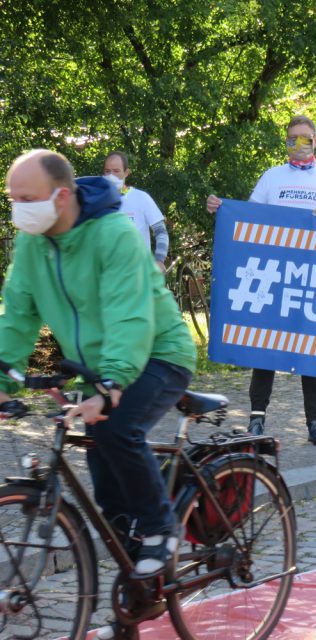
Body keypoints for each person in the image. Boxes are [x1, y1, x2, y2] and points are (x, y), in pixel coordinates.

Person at [1, 150, 197, 628]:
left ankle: (162, 527)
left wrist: (109, 385)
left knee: (116, 431)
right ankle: (140, 590)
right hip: (98, 366)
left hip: (158, 352)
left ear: (61, 196)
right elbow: (18, 313)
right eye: (12, 200)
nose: (17, 209)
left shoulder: (114, 235)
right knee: (110, 507)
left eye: (26, 199)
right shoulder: (32, 244)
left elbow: (130, 316)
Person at [207, 115, 316, 447]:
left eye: (304, 138)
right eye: (291, 138)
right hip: (275, 277)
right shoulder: (271, 178)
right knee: (265, 348)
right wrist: (222, 207)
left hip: (311, 276)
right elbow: (249, 215)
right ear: (285, 142)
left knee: (311, 350)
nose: (298, 143)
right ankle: (256, 419)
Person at [102, 150, 169, 271]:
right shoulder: (97, 201)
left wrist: (159, 260)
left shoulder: (141, 198)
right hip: (108, 276)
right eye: (107, 171)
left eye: (116, 171)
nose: (111, 176)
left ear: (126, 173)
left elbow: (161, 231)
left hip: (139, 275)